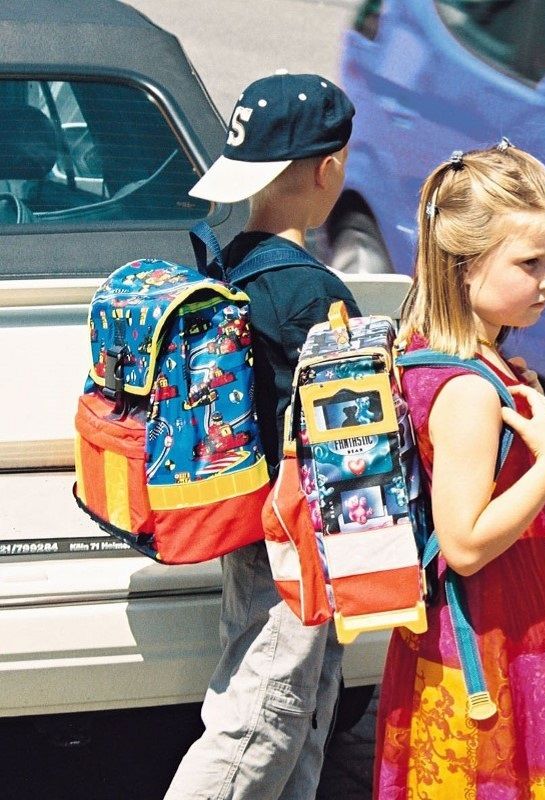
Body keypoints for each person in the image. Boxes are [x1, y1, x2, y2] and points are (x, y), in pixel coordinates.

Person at [374, 142, 545, 799]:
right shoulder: (468, 392)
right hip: (491, 638)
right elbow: (467, 543)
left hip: (494, 623)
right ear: (466, 267)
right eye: (531, 263)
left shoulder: (437, 348)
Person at [165, 71, 361, 800]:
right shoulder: (312, 293)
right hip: (294, 538)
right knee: (262, 718)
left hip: (248, 520)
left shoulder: (226, 260)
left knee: (303, 707)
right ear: (328, 168)